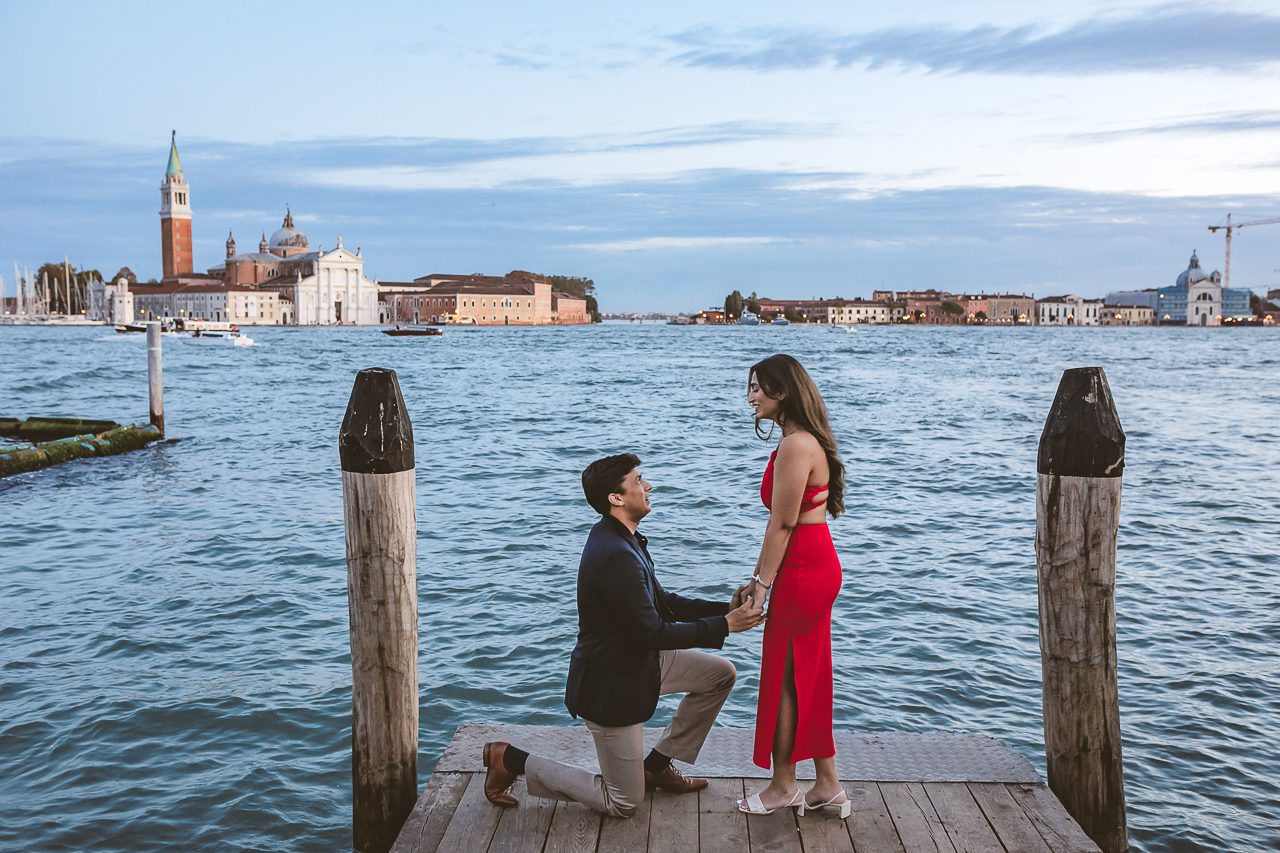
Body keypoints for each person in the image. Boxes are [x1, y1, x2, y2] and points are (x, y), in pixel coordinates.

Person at [482, 453, 764, 817]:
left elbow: (663, 603)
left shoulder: (622, 538)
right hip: (611, 685)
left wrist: (725, 608)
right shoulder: (614, 554)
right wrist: (726, 625)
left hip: (637, 664)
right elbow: (653, 632)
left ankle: (657, 766)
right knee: (623, 802)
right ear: (616, 498)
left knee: (719, 675)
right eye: (638, 481)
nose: (648, 486)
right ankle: (511, 759)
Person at [737, 354, 850, 819]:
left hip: (803, 565)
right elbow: (784, 525)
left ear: (783, 392)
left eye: (758, 388)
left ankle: (784, 784)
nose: (750, 397)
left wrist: (760, 585)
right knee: (807, 674)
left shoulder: (795, 446)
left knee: (785, 677)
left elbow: (782, 524)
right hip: (810, 562)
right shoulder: (802, 441)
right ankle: (827, 785)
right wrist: (761, 577)